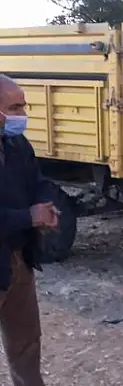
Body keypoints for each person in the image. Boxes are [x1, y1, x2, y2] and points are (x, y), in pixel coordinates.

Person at [0, 74, 59, 386]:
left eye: (23, 106)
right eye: (15, 107)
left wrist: (45, 205)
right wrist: (28, 216)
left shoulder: (17, 143)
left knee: (26, 344)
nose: (22, 115)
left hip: (19, 259)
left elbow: (39, 181)